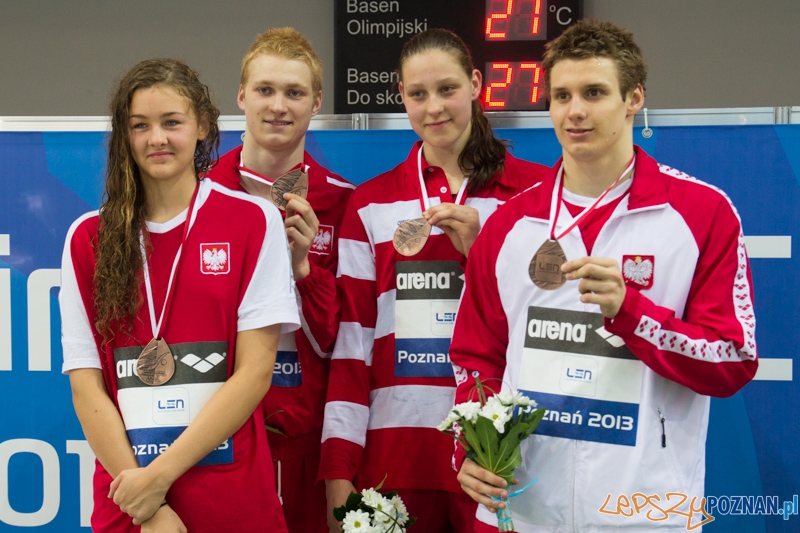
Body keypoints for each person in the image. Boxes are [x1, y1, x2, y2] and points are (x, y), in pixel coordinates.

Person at [451, 20, 759, 532]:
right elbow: (474, 355)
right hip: (523, 511)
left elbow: (733, 358)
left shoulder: (701, 213)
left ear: (634, 97)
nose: (575, 112)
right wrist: (471, 447)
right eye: (561, 95)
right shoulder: (509, 225)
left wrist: (632, 314)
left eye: (594, 93)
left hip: (647, 513)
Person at [320, 28, 549, 532]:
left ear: (475, 84)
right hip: (396, 453)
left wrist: (483, 257)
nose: (434, 107)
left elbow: (552, 326)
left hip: (499, 457)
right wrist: (338, 464)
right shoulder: (370, 204)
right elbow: (353, 346)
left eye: (447, 89)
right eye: (418, 94)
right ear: (401, 97)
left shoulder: (537, 195)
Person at [59, 58, 299, 532]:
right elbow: (87, 386)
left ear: (203, 125)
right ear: (123, 135)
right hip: (128, 501)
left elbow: (254, 373)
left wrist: (159, 480)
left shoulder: (253, 222)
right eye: (140, 126)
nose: (157, 139)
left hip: (231, 498)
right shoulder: (88, 237)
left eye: (172, 122)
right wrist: (145, 504)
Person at [204, 27, 354, 532]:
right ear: (242, 96)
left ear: (316, 103)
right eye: (265, 90)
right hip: (217, 435)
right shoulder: (198, 199)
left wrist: (302, 270)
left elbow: (345, 341)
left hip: (309, 443)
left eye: (294, 93)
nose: (278, 106)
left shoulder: (346, 202)